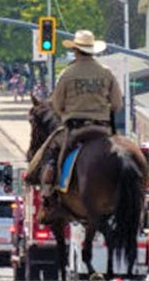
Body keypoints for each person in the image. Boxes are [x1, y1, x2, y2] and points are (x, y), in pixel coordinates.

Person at [25, 30, 122, 204]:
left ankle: (48, 190)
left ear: (76, 50)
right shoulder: (106, 73)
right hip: (103, 128)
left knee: (53, 152)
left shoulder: (67, 74)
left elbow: (56, 104)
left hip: (76, 129)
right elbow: (116, 104)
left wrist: (66, 113)